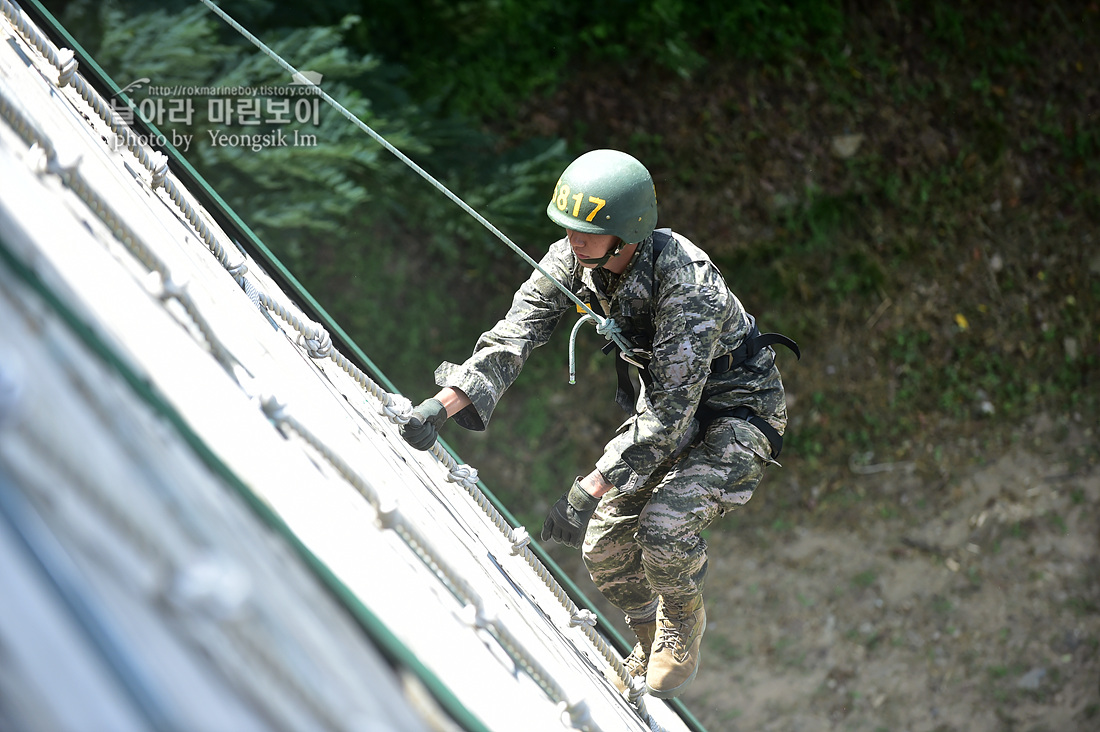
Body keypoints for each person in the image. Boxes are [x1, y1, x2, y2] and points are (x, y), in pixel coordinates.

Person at [400, 149, 796, 699]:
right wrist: (445, 403)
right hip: (668, 406)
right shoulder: (575, 258)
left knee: (662, 524)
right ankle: (649, 630)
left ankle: (682, 621)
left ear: (627, 232)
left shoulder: (688, 284)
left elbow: (669, 412)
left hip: (736, 413)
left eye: (587, 231)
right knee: (604, 548)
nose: (572, 241)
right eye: (567, 229)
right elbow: (517, 330)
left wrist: (588, 486)